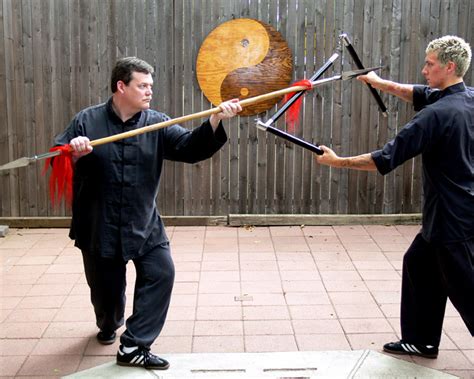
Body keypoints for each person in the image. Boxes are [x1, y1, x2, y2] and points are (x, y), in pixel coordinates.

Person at [54, 57, 241, 369]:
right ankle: (108, 323)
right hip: (99, 224)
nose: (149, 91)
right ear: (121, 86)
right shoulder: (86, 122)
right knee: (107, 297)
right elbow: (58, 155)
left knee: (162, 273)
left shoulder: (156, 123)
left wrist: (215, 121)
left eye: (150, 86)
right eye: (142, 85)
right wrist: (74, 151)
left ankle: (134, 345)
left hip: (143, 222)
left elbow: (189, 147)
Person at [315, 35, 473, 359]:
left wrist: (337, 161)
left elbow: (384, 159)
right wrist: (377, 82)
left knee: (468, 291)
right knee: (418, 263)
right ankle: (421, 340)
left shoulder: (434, 116)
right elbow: (417, 92)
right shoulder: (465, 99)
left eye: (430, 64)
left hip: (452, 223)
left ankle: (424, 337)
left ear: (450, 66)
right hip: (452, 213)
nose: (424, 69)